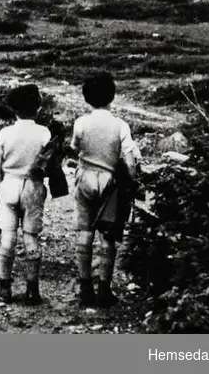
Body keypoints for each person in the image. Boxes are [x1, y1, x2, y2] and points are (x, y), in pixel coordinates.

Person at [71, 71, 141, 307]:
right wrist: (131, 181)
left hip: (85, 178)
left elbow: (75, 147)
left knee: (84, 232)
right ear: (112, 96)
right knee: (107, 235)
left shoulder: (81, 122)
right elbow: (130, 161)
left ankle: (85, 287)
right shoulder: (120, 125)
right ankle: (104, 289)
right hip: (109, 183)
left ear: (86, 98)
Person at [0, 84, 51, 304]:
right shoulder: (44, 133)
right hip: (33, 186)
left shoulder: (6, 133)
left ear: (13, 108)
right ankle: (32, 289)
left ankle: (4, 286)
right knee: (30, 237)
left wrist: (0, 184)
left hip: (9, 183)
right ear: (38, 108)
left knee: (8, 236)